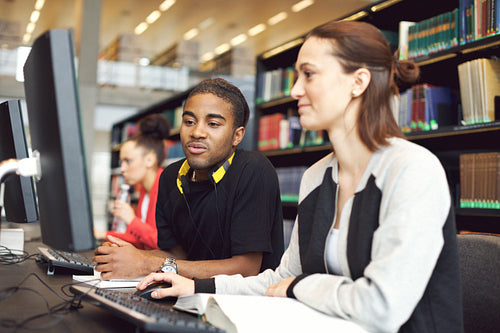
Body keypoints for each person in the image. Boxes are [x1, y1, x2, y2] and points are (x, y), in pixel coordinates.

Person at [137, 21, 463, 333]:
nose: (295, 90)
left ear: (358, 81)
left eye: (309, 75)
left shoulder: (413, 170)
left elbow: (381, 307)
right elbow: (280, 278)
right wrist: (196, 286)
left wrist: (301, 286)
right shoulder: (317, 177)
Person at [94, 78, 284, 280]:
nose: (197, 132)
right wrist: (125, 255)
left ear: (237, 136)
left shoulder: (253, 169)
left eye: (213, 124)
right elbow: (177, 257)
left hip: (241, 304)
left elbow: (246, 268)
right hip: (188, 296)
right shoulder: (170, 177)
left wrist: (145, 263)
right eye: (189, 122)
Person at [99, 113, 170, 250]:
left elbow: (163, 243)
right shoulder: (145, 189)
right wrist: (103, 234)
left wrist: (131, 219)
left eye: (128, 161)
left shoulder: (166, 188)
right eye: (121, 162)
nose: (122, 169)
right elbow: (140, 239)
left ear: (150, 160)